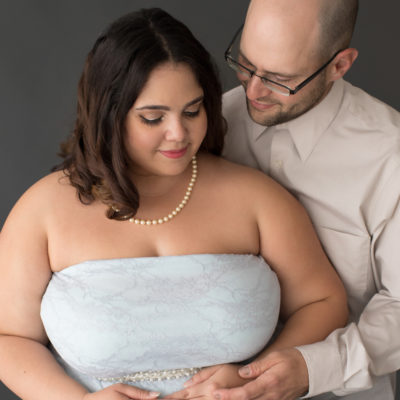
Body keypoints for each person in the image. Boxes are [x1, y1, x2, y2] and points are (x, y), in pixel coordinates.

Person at [0, 7, 348, 400]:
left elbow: (325, 301)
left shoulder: (257, 199)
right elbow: (8, 337)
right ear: (109, 115)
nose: (179, 134)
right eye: (153, 118)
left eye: (192, 111)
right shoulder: (42, 211)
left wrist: (253, 376)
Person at [177, 0, 400, 399]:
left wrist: (315, 369)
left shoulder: (390, 156)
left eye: (280, 78)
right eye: (244, 63)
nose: (253, 89)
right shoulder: (206, 127)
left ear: (340, 65)